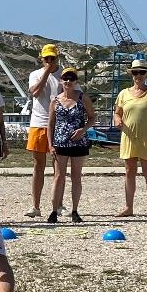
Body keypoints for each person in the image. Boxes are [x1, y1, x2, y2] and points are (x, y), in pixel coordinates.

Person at [113, 58, 147, 218]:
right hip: (129, 137)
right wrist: (117, 119)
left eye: (142, 72)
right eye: (135, 72)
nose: (138, 75)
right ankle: (128, 207)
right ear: (131, 74)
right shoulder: (123, 94)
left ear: (146, 74)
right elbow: (117, 113)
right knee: (129, 170)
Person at [47, 67, 96, 223]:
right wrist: (50, 145)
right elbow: (50, 124)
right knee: (58, 176)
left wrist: (83, 129)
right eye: (65, 78)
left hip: (79, 142)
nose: (68, 81)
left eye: (71, 78)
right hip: (60, 143)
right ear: (61, 81)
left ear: (76, 81)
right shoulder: (55, 100)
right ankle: (54, 210)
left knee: (76, 176)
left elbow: (92, 118)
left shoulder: (82, 98)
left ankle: (75, 210)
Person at [25, 44, 64, 218]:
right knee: (38, 166)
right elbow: (34, 92)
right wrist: (47, 73)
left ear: (57, 57)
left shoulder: (64, 74)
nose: (49, 61)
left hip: (59, 124)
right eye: (46, 58)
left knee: (59, 167)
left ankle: (59, 204)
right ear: (41, 58)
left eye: (52, 58)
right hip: (38, 123)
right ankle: (35, 206)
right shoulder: (35, 74)